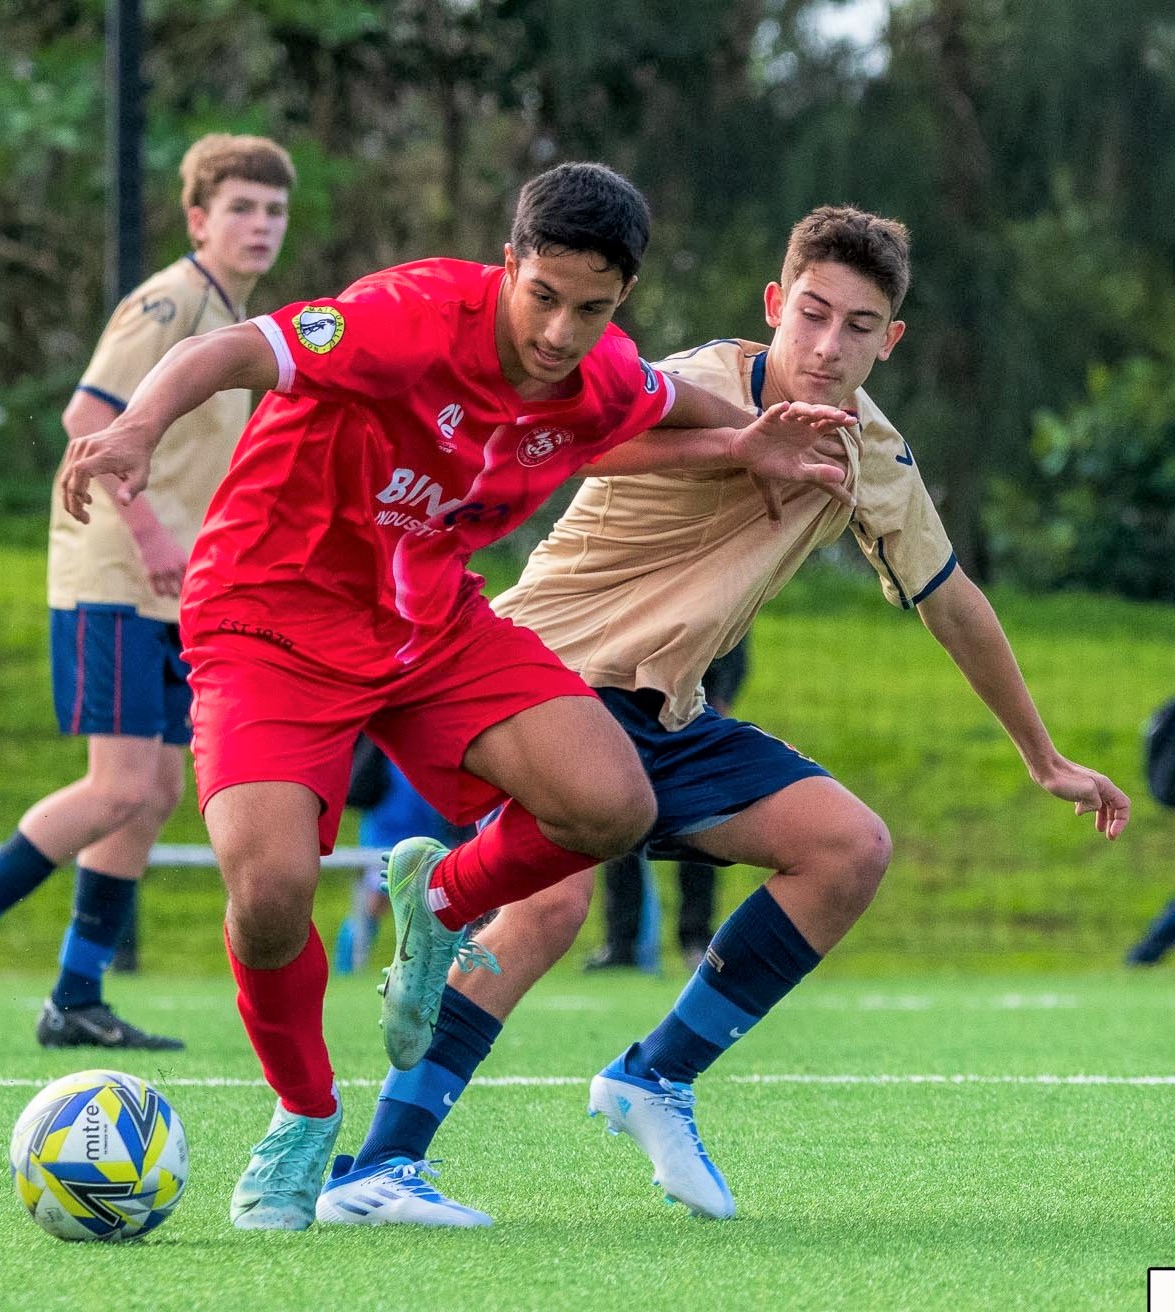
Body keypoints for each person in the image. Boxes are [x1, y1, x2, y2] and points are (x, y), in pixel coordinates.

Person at [58, 162, 858, 1231]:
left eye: (591, 309)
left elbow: (656, 404)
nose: (561, 332)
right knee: (271, 892)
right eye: (544, 297)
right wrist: (140, 427)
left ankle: (435, 908)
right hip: (269, 617)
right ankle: (304, 1117)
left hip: (428, 623)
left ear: (621, 299)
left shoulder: (598, 368)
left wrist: (743, 439)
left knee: (610, 804)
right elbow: (232, 349)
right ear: (508, 263)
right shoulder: (408, 316)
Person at [315, 204, 1131, 1229]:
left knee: (846, 847)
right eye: (812, 314)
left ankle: (653, 1077)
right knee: (553, 905)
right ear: (773, 304)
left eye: (858, 326)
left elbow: (953, 601)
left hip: (665, 710)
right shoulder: (688, 382)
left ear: (890, 340)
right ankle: (378, 1165)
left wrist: (1043, 757)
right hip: (539, 678)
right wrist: (738, 449)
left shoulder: (872, 454)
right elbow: (556, 443)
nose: (827, 346)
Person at [0, 134, 297, 1048]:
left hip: (173, 589)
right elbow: (88, 417)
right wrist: (151, 536)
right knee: (118, 787)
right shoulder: (171, 300)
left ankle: (75, 997)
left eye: (273, 210)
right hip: (115, 573)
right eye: (240, 207)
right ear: (198, 218)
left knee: (152, 793)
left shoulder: (235, 315)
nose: (260, 224)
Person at [585, 640, 750, 971]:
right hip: (630, 709)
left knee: (701, 830)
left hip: (694, 716)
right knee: (620, 826)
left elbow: (733, 642)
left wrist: (721, 697)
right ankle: (622, 943)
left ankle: (696, 939)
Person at [335, 738, 473, 973]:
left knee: (445, 905)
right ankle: (347, 969)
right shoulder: (382, 740)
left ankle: (455, 970)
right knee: (374, 902)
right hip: (386, 832)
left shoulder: (434, 741)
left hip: (431, 832)